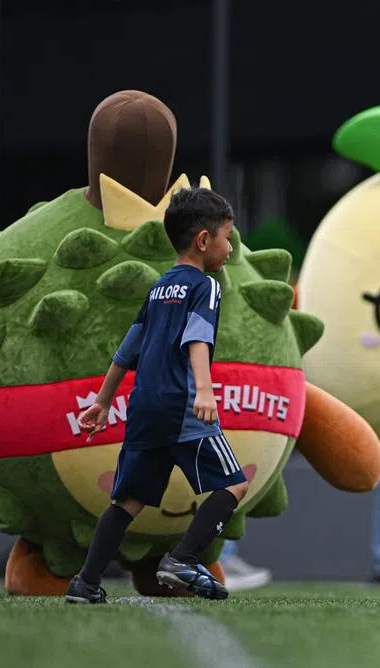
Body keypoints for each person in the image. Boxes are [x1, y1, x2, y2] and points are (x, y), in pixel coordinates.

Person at [64, 187, 249, 604]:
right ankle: (183, 558)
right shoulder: (207, 286)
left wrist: (102, 400)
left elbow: (127, 350)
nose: (230, 245)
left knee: (128, 501)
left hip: (145, 405)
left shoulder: (159, 288)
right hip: (182, 403)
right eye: (227, 236)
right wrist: (204, 389)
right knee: (234, 486)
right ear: (204, 240)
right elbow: (197, 338)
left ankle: (86, 582)